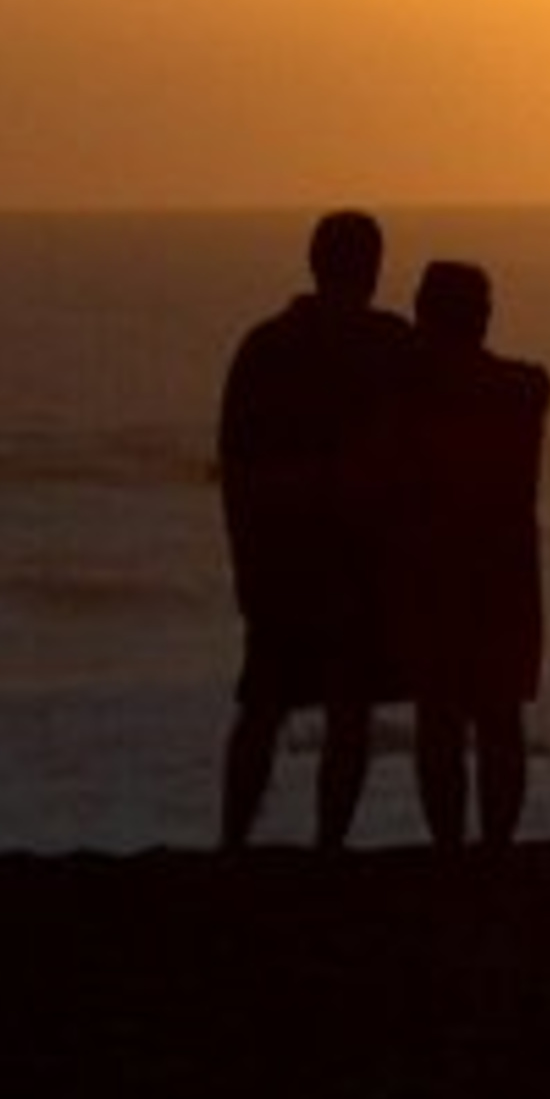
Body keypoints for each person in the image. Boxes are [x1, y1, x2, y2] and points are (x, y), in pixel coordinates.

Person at [216, 208, 413, 848]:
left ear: (314, 263)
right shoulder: (389, 345)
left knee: (264, 708)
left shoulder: (266, 346)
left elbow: (236, 464)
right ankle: (329, 844)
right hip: (353, 562)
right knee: (345, 711)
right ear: (373, 268)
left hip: (285, 562)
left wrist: (246, 560)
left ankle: (234, 841)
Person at [395, 257, 550, 850]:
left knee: (439, 718)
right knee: (500, 717)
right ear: (483, 317)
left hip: (436, 575)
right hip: (505, 577)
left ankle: (449, 849)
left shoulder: (413, 395)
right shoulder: (524, 389)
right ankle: (496, 849)